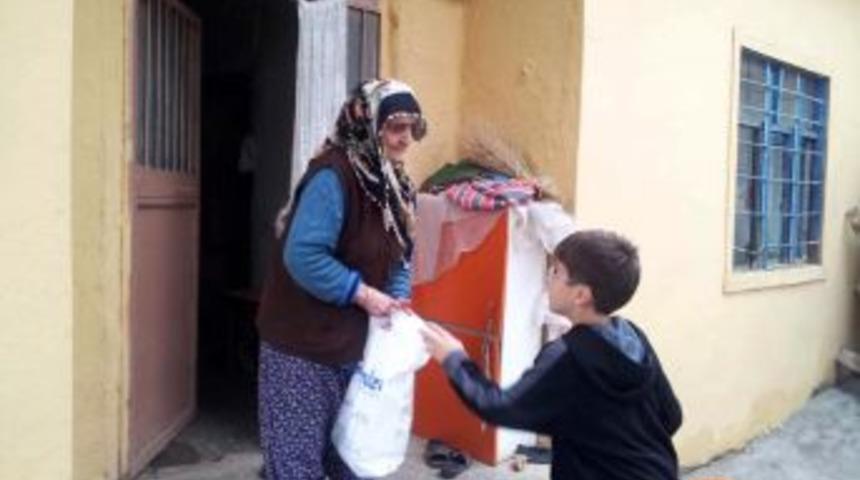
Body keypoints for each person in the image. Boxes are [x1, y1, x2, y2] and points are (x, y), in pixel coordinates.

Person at [255, 79, 428, 479]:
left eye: (412, 128)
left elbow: (401, 254)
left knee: (351, 456)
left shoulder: (396, 186)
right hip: (301, 346)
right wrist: (364, 295)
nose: (404, 139)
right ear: (367, 122)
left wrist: (396, 300)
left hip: (354, 346)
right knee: (297, 464)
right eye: (394, 127)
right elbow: (303, 254)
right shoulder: (334, 176)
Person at [421, 230, 683, 480]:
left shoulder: (566, 355)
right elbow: (672, 417)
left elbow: (498, 407)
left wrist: (454, 359)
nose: (548, 276)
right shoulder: (634, 336)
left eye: (556, 271)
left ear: (581, 295)